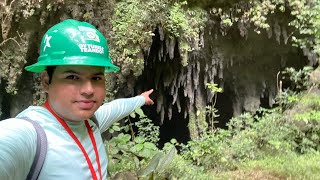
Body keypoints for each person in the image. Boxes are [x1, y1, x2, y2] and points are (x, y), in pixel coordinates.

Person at [0, 19, 154, 180]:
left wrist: (141, 99)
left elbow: (118, 108)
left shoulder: (92, 122)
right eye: (72, 77)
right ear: (46, 81)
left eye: (96, 78)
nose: (88, 90)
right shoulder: (30, 135)